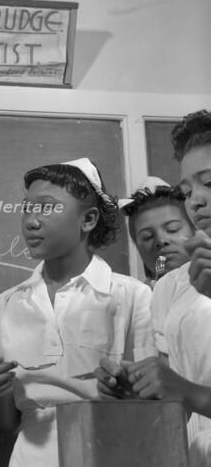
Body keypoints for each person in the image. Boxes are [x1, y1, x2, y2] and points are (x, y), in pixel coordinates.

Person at [0, 157, 156, 467]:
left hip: (109, 450)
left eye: (46, 208)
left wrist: (126, 391)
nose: (31, 220)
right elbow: (5, 422)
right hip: (30, 456)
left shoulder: (131, 295)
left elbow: (155, 401)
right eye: (27, 208)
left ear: (87, 220)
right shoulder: (8, 303)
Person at [96, 110, 211, 466]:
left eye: (210, 183)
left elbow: (189, 391)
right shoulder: (171, 287)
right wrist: (142, 390)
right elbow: (177, 396)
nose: (196, 200)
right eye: (187, 190)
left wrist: (189, 392)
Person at [119, 176, 194, 286]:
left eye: (172, 229)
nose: (161, 240)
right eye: (147, 237)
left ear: (195, 230)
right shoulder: (138, 299)